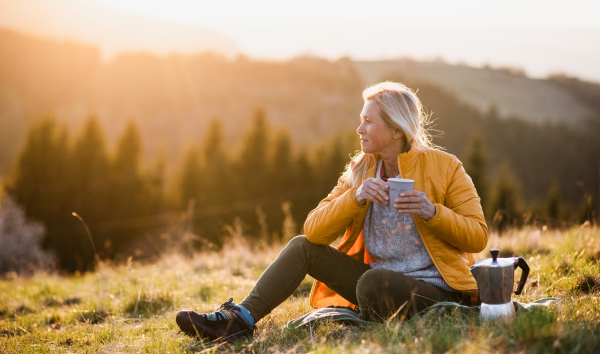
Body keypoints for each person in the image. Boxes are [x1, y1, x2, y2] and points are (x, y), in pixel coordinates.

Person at [175, 81, 488, 341]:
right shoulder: (360, 169)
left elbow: (477, 236)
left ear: (396, 130)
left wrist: (432, 211)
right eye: (361, 119)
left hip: (435, 291)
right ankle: (238, 320)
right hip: (375, 282)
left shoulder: (446, 167)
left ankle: (381, 309)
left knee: (373, 283)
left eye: (368, 121)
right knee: (302, 247)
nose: (359, 128)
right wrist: (356, 196)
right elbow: (314, 229)